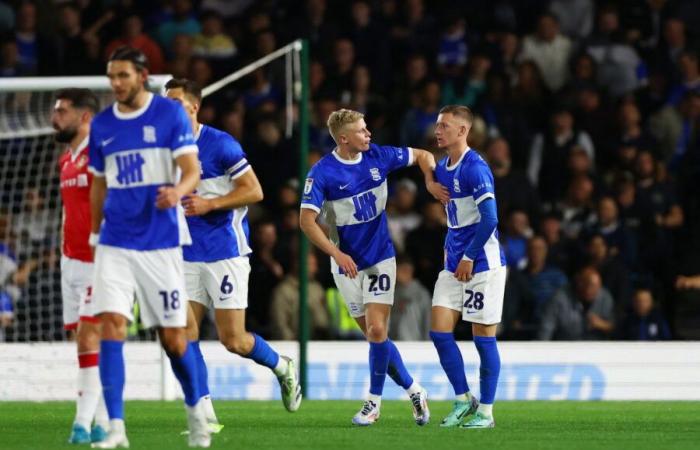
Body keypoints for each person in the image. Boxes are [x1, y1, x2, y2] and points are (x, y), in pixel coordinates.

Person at [164, 78, 302, 428]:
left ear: (193, 107)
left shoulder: (219, 144)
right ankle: (203, 413)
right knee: (181, 335)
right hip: (184, 254)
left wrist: (212, 203)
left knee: (233, 340)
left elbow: (254, 191)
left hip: (225, 252)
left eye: (175, 103)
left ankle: (281, 365)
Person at [88, 47, 208, 448]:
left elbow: (192, 170)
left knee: (174, 340)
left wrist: (177, 191)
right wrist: (93, 233)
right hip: (115, 240)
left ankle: (196, 414)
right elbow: (99, 185)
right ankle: (116, 428)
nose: (116, 83)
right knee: (112, 324)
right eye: (111, 77)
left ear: (142, 75)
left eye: (122, 75)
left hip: (160, 242)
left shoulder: (169, 114)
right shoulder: (102, 125)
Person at [299, 108, 441, 426]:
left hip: (380, 258)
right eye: (362, 131)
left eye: (367, 128)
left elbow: (422, 155)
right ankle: (416, 391)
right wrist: (336, 254)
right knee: (376, 341)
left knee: (378, 330)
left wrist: (430, 179)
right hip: (346, 265)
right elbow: (306, 222)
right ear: (344, 138)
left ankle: (373, 404)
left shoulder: (379, 156)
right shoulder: (322, 173)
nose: (369, 134)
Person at [429, 104, 506, 429]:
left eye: (445, 126)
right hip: (453, 262)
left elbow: (490, 218)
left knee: (482, 339)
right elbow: (423, 160)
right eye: (437, 125)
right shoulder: (444, 166)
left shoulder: (475, 168)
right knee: (439, 331)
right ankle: (463, 399)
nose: (438, 130)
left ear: (463, 131)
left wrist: (469, 256)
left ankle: (486, 412)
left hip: (481, 264)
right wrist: (429, 184)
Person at [52, 87, 110, 444]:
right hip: (70, 262)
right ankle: (101, 422)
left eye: (61, 111)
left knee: (91, 338)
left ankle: (81, 423)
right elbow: (67, 214)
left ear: (85, 117)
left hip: (100, 262)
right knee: (83, 345)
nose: (54, 117)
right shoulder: (66, 159)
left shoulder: (101, 155)